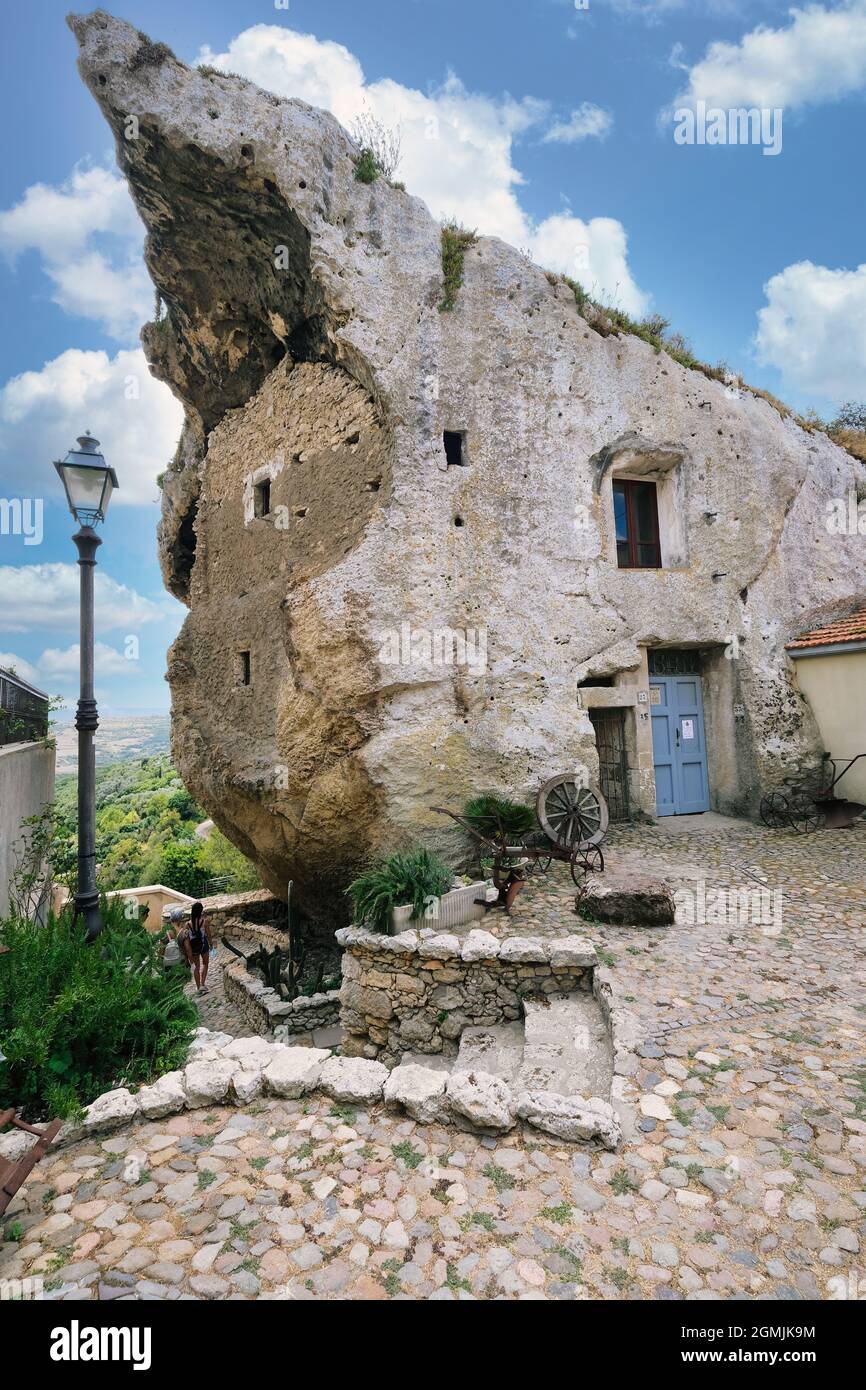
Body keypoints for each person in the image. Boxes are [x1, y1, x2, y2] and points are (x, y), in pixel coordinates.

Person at [182, 901, 213, 994]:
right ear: (200, 911)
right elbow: (208, 934)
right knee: (205, 964)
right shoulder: (204, 922)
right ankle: (203, 984)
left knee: (196, 967)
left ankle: (198, 987)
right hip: (204, 946)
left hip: (194, 948)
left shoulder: (187, 924)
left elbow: (185, 938)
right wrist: (211, 944)